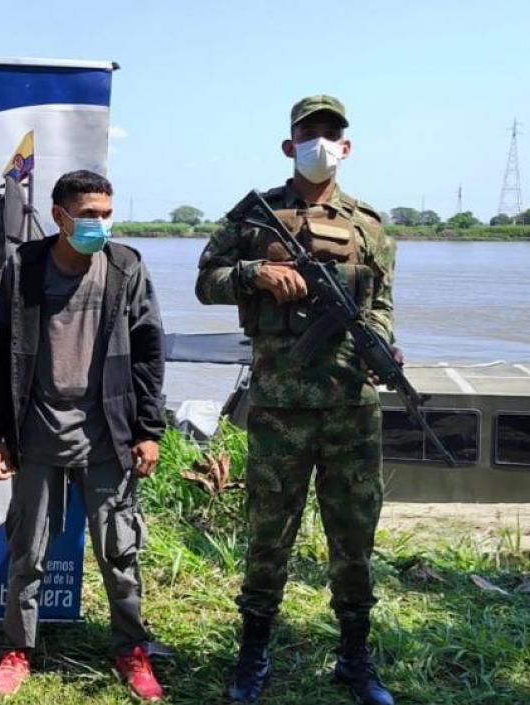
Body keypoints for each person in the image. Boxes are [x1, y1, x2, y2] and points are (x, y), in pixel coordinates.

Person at [195, 95, 397, 705]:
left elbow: (382, 305)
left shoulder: (369, 225)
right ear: (290, 145)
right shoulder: (254, 217)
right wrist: (255, 272)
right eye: (309, 134)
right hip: (280, 408)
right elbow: (206, 283)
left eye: (331, 135)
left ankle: (355, 660)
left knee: (354, 538)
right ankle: (252, 657)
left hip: (351, 408)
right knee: (268, 537)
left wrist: (382, 344)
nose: (321, 144)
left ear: (347, 146)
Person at [0, 170, 167, 701]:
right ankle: (18, 650)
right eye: (88, 215)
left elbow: (150, 354)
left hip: (108, 430)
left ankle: (131, 649)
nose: (99, 224)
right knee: (27, 550)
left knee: (119, 550)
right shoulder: (24, 267)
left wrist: (149, 429)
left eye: (106, 214)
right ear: (60, 216)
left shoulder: (126, 267)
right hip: (37, 429)